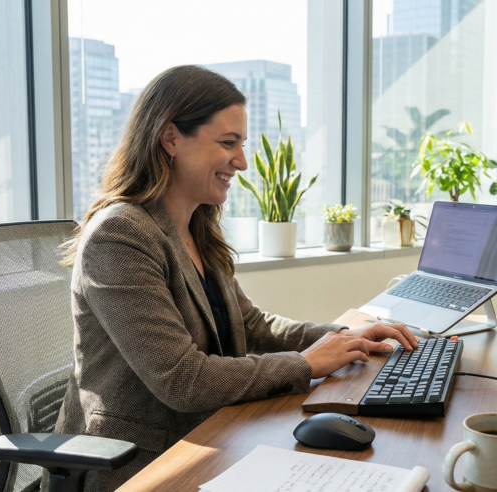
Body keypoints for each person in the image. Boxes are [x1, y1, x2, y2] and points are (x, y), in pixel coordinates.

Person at [55, 65, 418, 491]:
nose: (242, 162)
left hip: (215, 433)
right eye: (228, 144)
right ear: (170, 138)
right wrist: (305, 363)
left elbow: (250, 324)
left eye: (242, 144)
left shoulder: (196, 226)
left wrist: (345, 337)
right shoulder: (119, 235)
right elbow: (182, 380)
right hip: (143, 462)